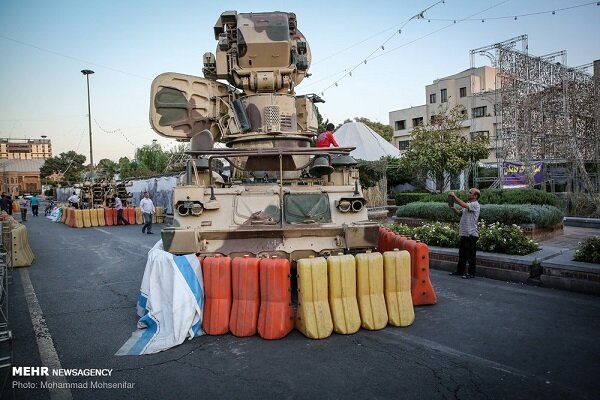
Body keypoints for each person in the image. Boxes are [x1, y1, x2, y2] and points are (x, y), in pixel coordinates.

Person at [448, 188, 481, 279]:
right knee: (462, 255)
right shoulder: (468, 205)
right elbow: (459, 214)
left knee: (471, 256)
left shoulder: (475, 205)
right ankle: (460, 271)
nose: (468, 193)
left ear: (475, 196)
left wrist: (454, 196)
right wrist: (452, 208)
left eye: (470, 193)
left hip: (471, 234)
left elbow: (462, 204)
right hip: (464, 233)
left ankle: (471, 273)